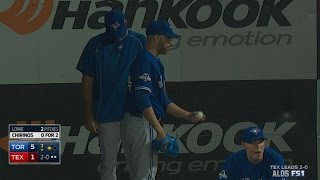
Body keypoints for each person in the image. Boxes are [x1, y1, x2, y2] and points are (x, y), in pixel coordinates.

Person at [120, 20, 206, 180]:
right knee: (145, 177)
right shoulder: (145, 60)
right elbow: (143, 99)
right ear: (156, 38)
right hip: (142, 122)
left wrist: (188, 116)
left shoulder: (153, 62)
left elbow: (164, 101)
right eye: (168, 38)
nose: (170, 42)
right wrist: (159, 130)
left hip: (137, 122)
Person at [76, 10, 146, 180]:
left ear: (126, 24)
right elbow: (87, 78)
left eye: (119, 31)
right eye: (112, 31)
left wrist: (153, 108)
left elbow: (151, 75)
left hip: (135, 112)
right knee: (108, 164)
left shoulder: (139, 41)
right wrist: (88, 112)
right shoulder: (95, 43)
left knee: (138, 161)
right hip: (106, 112)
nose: (116, 36)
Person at [218, 126, 286, 180]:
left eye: (260, 141)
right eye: (253, 142)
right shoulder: (232, 161)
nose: (258, 146)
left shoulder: (275, 160)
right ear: (244, 144)